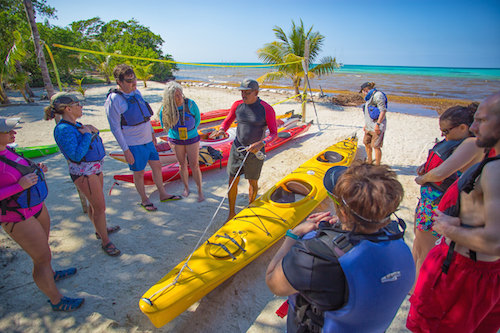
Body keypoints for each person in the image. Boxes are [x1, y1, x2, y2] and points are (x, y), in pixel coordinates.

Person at [266, 161, 415, 333]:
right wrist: (344, 226)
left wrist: (294, 234)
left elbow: (273, 282)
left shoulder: (317, 256)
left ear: (344, 213)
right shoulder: (396, 235)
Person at [407, 92, 500, 333]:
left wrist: (449, 228)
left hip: (464, 271)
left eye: (481, 121)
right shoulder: (489, 155)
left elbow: (494, 240)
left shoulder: (493, 167)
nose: (474, 127)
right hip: (466, 267)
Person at [0, 117, 84, 311]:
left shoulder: (8, 150)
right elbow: (13, 185)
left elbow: (17, 171)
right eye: (8, 131)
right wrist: (18, 186)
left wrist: (36, 170)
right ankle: (56, 300)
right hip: (17, 217)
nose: (14, 133)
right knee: (41, 258)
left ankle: (51, 274)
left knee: (44, 251)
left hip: (36, 206)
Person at [412, 103, 490, 284]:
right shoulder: (459, 142)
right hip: (430, 201)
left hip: (439, 203)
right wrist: (426, 169)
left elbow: (441, 173)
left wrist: (423, 179)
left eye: (446, 131)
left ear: (463, 127)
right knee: (419, 243)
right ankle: (411, 282)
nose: (443, 136)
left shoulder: (472, 143)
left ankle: (415, 288)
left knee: (426, 250)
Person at [45, 92, 121, 256]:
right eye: (78, 104)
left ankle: (100, 230)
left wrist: (92, 132)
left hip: (94, 169)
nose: (81, 106)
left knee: (95, 205)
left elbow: (88, 141)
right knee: (100, 207)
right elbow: (75, 155)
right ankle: (105, 241)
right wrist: (87, 134)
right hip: (84, 173)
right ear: (68, 109)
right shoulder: (63, 129)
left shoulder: (75, 124)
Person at [105, 64, 180, 212]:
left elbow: (145, 117)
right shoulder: (114, 100)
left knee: (157, 166)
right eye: (129, 81)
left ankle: (163, 194)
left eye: (134, 79)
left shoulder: (136, 93)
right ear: (119, 82)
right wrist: (126, 150)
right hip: (133, 143)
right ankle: (144, 199)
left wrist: (152, 133)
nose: (133, 83)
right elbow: (115, 128)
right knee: (139, 172)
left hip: (147, 140)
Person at [210, 78, 278, 220]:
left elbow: (274, 133)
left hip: (255, 151)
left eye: (247, 92)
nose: (243, 95)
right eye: (242, 92)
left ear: (256, 92)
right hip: (237, 149)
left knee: (252, 181)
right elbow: (227, 121)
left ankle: (251, 208)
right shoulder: (237, 105)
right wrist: (222, 129)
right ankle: (231, 213)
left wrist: (262, 143)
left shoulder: (267, 109)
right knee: (232, 180)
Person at [160, 81, 204, 202]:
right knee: (182, 164)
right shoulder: (166, 108)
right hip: (176, 140)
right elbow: (164, 124)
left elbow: (198, 120)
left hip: (192, 138)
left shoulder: (190, 104)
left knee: (194, 165)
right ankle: (186, 189)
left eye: (180, 94)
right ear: (170, 98)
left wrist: (190, 130)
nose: (179, 98)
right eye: (175, 96)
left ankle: (200, 191)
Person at [360, 82, 388, 165]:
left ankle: (377, 165)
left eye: (362, 92)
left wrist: (378, 125)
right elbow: (368, 113)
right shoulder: (369, 98)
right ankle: (369, 162)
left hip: (377, 126)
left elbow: (383, 111)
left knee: (376, 146)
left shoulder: (378, 95)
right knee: (366, 143)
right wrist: (366, 125)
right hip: (369, 126)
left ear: (365, 90)